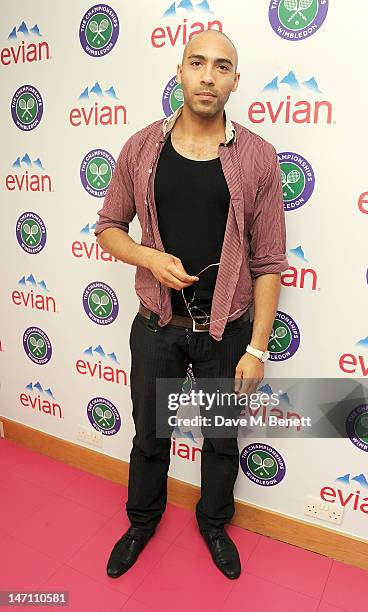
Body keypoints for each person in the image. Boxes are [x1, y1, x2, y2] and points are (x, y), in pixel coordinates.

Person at [94, 29, 289, 580]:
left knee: (221, 439)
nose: (208, 76)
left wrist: (257, 347)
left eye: (221, 67)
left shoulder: (258, 157)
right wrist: (149, 259)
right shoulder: (139, 148)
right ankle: (141, 521)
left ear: (234, 80)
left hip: (227, 329)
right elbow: (108, 228)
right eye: (197, 63)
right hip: (157, 324)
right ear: (179, 71)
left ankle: (213, 523)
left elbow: (269, 260)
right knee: (150, 433)